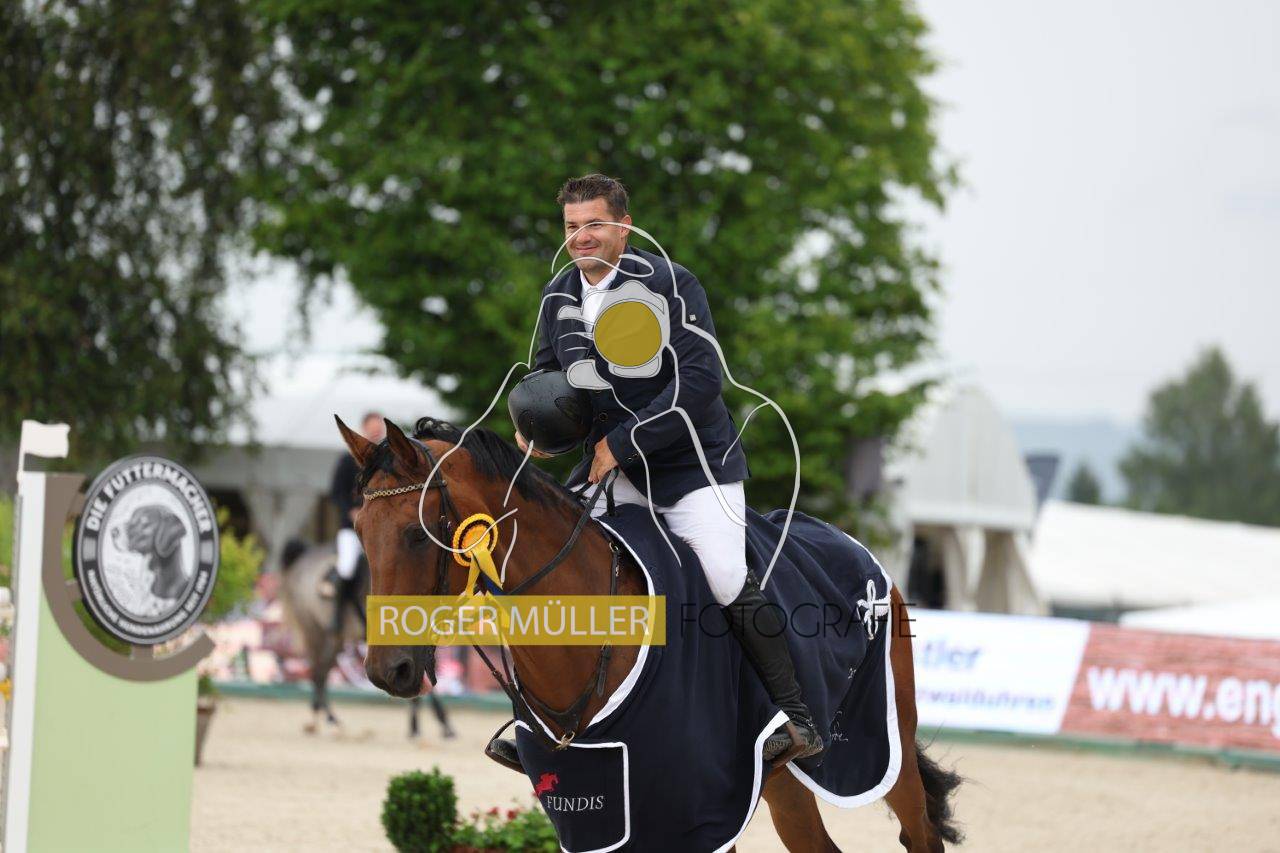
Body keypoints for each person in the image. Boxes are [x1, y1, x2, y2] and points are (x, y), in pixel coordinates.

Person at [516, 173, 822, 763]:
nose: (581, 237)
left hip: (693, 467)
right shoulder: (558, 294)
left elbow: (701, 381)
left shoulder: (670, 283)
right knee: (553, 560)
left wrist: (622, 443)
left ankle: (796, 716)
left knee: (724, 575)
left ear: (624, 226)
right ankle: (538, 720)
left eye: (594, 224)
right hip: (612, 471)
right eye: (572, 227)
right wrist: (540, 432)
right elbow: (550, 379)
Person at [329, 411, 385, 635]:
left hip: (380, 529)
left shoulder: (387, 461)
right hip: (352, 529)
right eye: (373, 429)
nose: (376, 432)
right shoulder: (347, 460)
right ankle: (337, 615)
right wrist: (351, 511)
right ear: (364, 430)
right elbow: (336, 493)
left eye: (379, 429)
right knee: (348, 565)